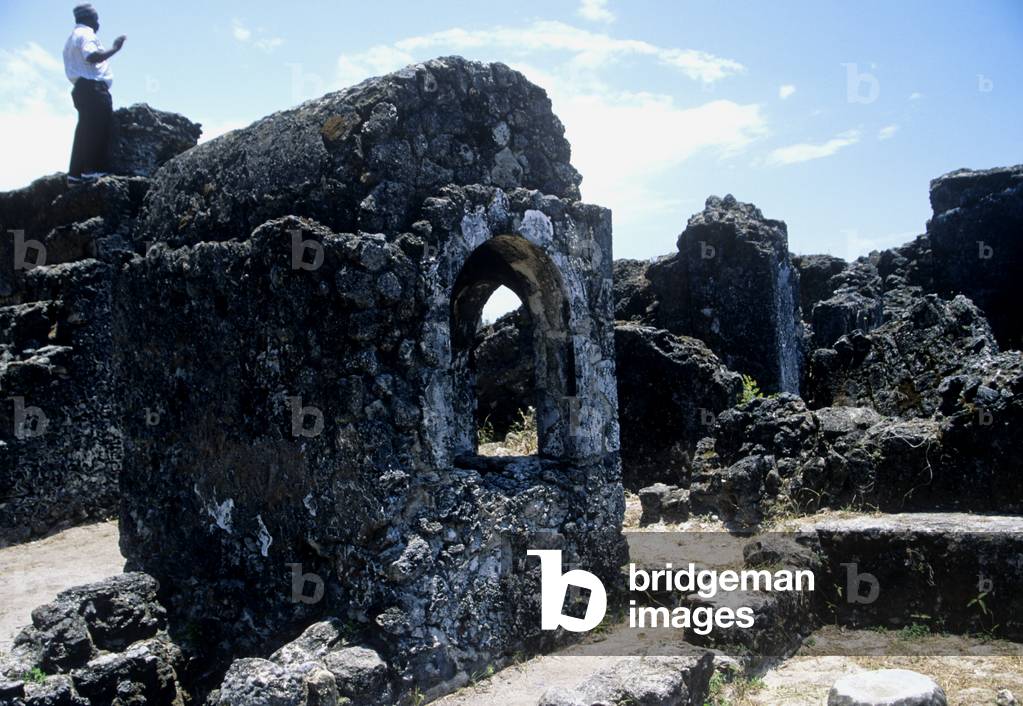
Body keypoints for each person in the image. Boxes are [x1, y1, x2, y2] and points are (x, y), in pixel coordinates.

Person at [62, 4, 126, 183]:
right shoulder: (86, 34)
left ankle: (75, 174)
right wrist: (115, 47)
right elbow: (92, 56)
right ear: (89, 18)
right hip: (94, 88)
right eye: (96, 18)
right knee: (98, 128)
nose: (98, 23)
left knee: (84, 129)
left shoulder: (71, 38)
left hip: (81, 89)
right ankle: (93, 170)